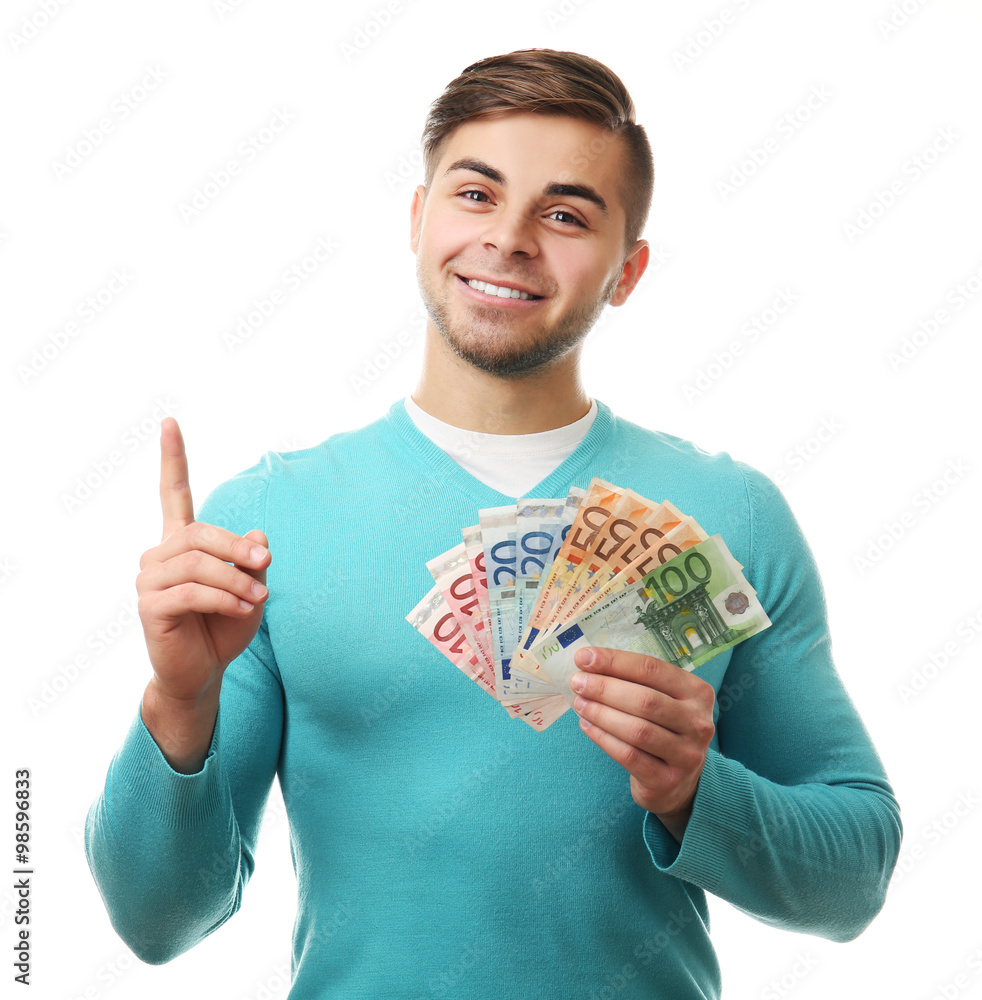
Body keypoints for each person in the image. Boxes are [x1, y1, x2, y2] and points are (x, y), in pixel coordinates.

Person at [85, 48, 902, 999]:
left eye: (564, 214)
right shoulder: (265, 526)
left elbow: (857, 882)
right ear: (418, 217)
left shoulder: (730, 519)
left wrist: (696, 791)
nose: (510, 238)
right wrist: (179, 704)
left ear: (628, 270)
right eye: (476, 194)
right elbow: (155, 923)